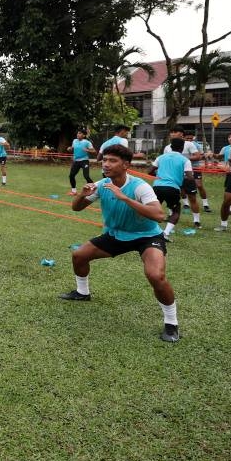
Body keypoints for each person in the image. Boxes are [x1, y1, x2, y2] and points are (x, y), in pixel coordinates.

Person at [61, 144, 181, 343]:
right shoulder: (101, 185)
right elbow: (76, 208)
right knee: (79, 255)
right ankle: (83, 293)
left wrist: (124, 197)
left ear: (126, 165)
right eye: (105, 160)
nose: (106, 164)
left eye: (112, 161)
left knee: (155, 275)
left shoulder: (140, 186)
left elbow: (159, 215)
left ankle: (171, 323)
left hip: (146, 236)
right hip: (116, 235)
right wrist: (82, 194)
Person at [149, 138, 194, 241]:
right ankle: (165, 233)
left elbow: (150, 171)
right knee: (176, 211)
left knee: (152, 209)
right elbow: (190, 177)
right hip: (172, 188)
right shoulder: (185, 160)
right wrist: (179, 177)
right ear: (182, 148)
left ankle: (149, 231)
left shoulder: (161, 157)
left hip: (157, 186)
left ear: (170, 146)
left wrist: (160, 175)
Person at [164, 126, 202, 228]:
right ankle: (171, 215)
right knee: (172, 197)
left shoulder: (189, 144)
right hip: (174, 177)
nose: (172, 134)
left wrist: (182, 158)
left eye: (175, 132)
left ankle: (197, 221)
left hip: (187, 176)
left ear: (181, 134)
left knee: (192, 198)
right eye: (171, 132)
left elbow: (198, 156)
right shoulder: (167, 147)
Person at [184, 132, 212, 212]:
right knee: (182, 187)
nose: (189, 140)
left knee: (199, 185)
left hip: (195, 168)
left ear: (193, 137)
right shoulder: (181, 145)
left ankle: (205, 204)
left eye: (191, 138)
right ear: (183, 137)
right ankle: (186, 204)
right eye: (187, 138)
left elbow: (201, 156)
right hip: (184, 169)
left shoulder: (197, 145)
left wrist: (206, 155)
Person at [67, 129, 96, 195]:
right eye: (77, 133)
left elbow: (94, 151)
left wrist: (87, 150)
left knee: (86, 176)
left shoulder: (87, 142)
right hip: (76, 161)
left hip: (84, 161)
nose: (78, 134)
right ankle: (74, 191)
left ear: (84, 135)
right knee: (71, 176)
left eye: (80, 133)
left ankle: (95, 189)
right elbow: (72, 148)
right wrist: (70, 149)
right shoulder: (74, 141)